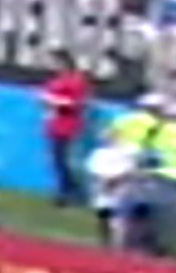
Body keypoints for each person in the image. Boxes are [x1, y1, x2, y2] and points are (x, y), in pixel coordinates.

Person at [41, 49, 89, 207]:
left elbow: (78, 104)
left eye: (56, 62)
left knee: (61, 159)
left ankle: (68, 191)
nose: (54, 66)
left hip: (67, 124)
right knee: (57, 160)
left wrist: (56, 102)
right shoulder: (57, 80)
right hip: (55, 123)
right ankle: (68, 190)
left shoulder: (76, 80)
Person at [84, 128, 139, 248]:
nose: (110, 139)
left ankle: (119, 243)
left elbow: (131, 169)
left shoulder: (128, 151)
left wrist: (117, 180)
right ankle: (105, 241)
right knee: (103, 213)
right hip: (103, 186)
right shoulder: (100, 153)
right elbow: (93, 170)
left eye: (113, 137)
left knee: (119, 217)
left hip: (122, 187)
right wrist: (103, 181)